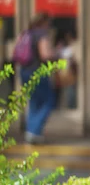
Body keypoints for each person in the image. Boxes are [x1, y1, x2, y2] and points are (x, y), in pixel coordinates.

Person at [17, 12, 55, 144]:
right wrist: (56, 54)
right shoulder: (42, 34)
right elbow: (45, 55)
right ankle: (34, 131)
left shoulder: (26, 33)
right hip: (37, 71)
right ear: (44, 23)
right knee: (48, 101)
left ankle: (31, 132)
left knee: (34, 102)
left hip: (24, 71)